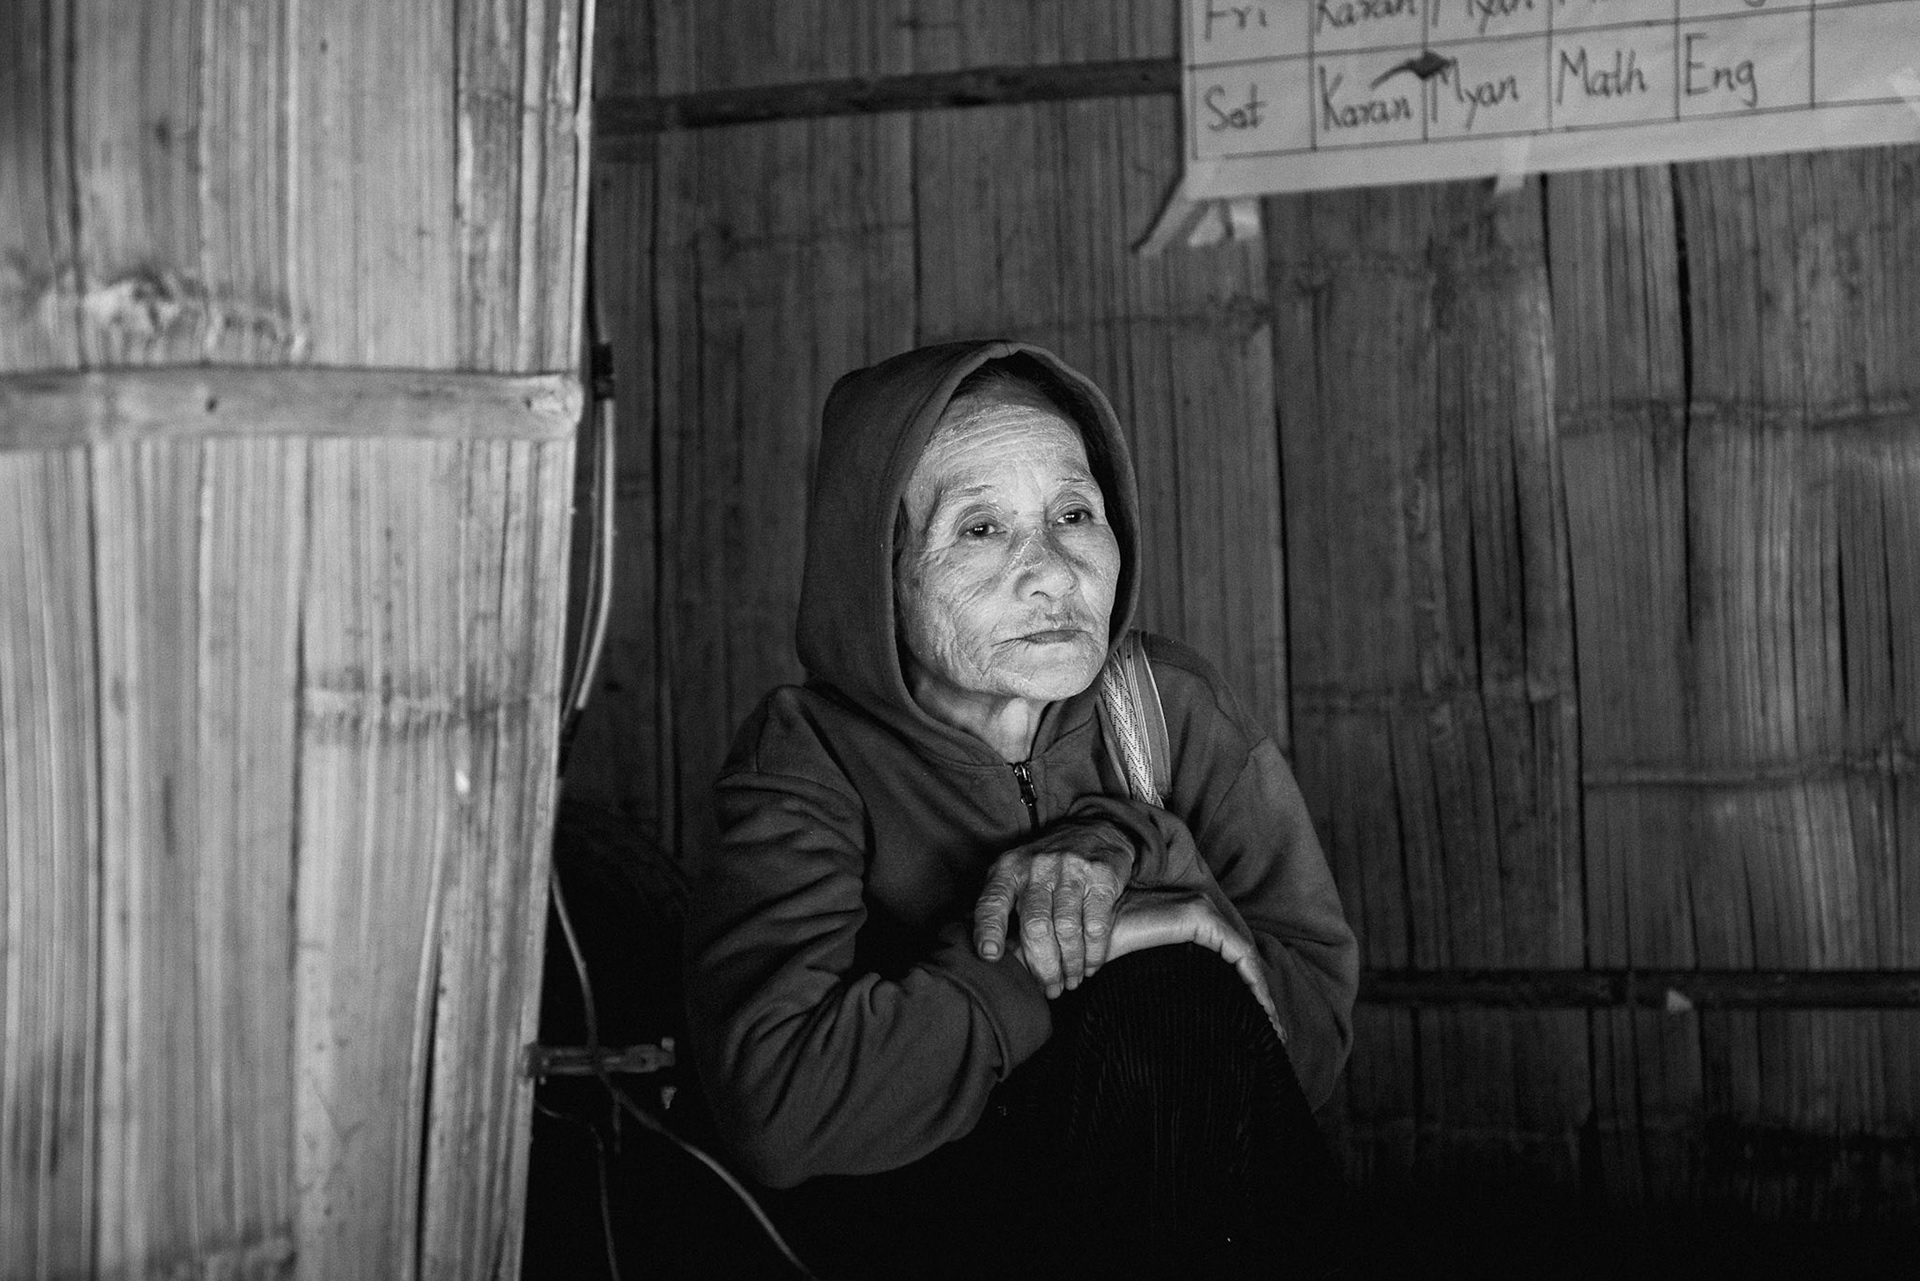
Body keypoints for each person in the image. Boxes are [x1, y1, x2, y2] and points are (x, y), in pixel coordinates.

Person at [683, 340, 1358, 1278]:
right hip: (941, 1230)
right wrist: (1054, 954)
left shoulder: (1165, 707)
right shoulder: (808, 757)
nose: (1052, 572)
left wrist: (1133, 845)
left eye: (1073, 513)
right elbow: (778, 1107)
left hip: (1189, 1207)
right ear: (875, 569)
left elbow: (1313, 1040)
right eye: (980, 529)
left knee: (1175, 1000)